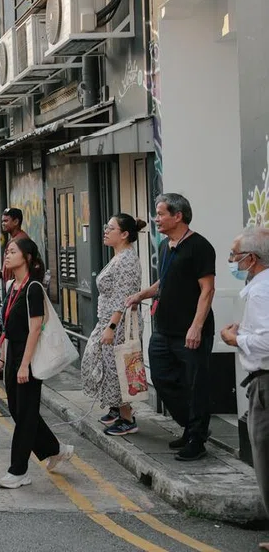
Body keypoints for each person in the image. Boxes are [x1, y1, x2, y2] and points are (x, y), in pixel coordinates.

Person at [126, 193, 215, 462]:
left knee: (196, 384)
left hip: (190, 331)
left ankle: (197, 440)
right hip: (163, 330)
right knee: (162, 380)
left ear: (178, 216)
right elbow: (163, 283)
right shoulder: (166, 246)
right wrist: (141, 295)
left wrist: (196, 327)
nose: (157, 218)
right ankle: (191, 427)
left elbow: (207, 289)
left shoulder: (199, 247)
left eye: (161, 213)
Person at [0, 238, 74, 489]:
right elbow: (8, 327)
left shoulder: (33, 288)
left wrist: (24, 364)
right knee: (19, 411)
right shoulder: (12, 286)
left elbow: (35, 328)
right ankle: (56, 449)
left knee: (26, 415)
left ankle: (19, 471)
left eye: (12, 251)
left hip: (28, 354)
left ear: (27, 257)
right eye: (6, 251)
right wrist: (3, 358)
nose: (7, 255)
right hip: (13, 352)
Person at [219, 227, 269, 550]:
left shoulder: (261, 291)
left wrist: (235, 338)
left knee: (264, 459)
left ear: (251, 259)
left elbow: (266, 342)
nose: (232, 262)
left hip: (265, 382)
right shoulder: (258, 286)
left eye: (235, 256)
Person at [80, 214, 146, 436]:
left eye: (111, 228)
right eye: (106, 227)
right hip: (108, 320)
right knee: (104, 364)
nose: (106, 231)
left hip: (119, 324)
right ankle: (117, 408)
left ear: (125, 234)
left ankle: (127, 418)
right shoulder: (119, 256)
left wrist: (111, 327)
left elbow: (123, 297)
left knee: (120, 367)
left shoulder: (127, 259)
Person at [1, 207, 29, 283]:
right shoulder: (14, 239)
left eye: (6, 221)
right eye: (2, 221)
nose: (3, 224)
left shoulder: (21, 240)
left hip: (19, 285)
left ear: (16, 221)